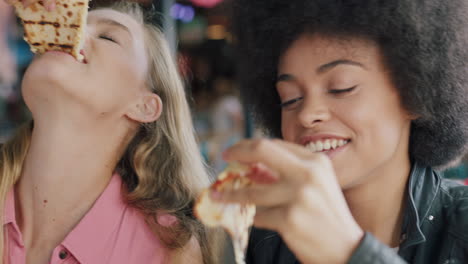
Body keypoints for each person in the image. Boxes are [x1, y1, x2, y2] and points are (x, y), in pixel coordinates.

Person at [213, 0, 468, 263]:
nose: (307, 114)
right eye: (289, 99)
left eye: (341, 88)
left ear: (416, 95)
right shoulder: (259, 240)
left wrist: (349, 250)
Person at [0, 2, 222, 263]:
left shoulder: (168, 252)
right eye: (72, 23)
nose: (70, 33)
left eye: (107, 36)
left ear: (143, 106)